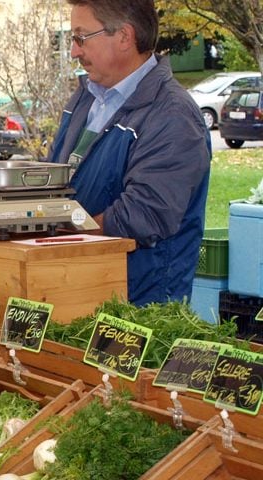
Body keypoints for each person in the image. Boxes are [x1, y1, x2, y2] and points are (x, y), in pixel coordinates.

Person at [46, 0, 210, 306]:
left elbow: (146, 214)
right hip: (77, 292)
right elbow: (54, 180)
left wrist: (60, 237)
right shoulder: (85, 98)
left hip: (138, 309)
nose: (74, 51)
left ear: (124, 36)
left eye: (81, 38)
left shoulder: (173, 115)